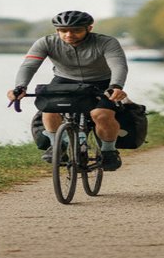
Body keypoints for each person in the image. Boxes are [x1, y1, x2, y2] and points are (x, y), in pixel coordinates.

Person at [7, 10, 129, 171]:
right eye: (63, 30)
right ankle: (57, 146)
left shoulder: (106, 42)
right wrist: (20, 87)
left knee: (101, 115)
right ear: (57, 30)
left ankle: (108, 151)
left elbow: (118, 65)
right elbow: (29, 66)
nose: (69, 35)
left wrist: (116, 86)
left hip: (101, 82)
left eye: (76, 30)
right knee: (49, 109)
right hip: (65, 80)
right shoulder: (46, 42)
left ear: (89, 28)